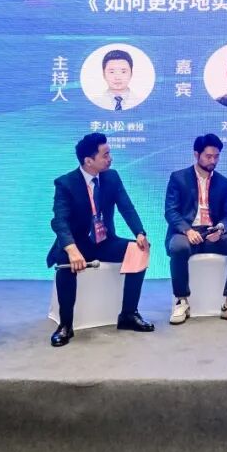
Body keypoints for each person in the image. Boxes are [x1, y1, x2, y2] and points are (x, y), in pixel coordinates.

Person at [46, 132, 153, 347]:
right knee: (65, 265)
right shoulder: (66, 183)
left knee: (138, 250)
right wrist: (72, 250)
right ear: (88, 161)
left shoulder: (111, 177)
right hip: (77, 243)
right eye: (105, 155)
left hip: (104, 241)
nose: (110, 158)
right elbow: (59, 221)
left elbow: (126, 207)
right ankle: (65, 325)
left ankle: (129, 314)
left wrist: (139, 233)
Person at [163, 133, 227, 324]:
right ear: (197, 154)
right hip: (186, 232)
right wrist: (188, 230)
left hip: (211, 233)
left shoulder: (223, 182)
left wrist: (221, 229)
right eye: (208, 156)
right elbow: (171, 212)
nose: (213, 161)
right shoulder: (179, 178)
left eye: (216, 156)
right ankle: (181, 300)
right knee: (178, 248)